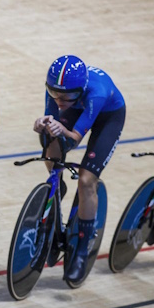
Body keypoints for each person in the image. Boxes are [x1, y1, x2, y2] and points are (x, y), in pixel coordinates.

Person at [34, 55, 125, 283]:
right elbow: (53, 121)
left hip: (107, 118)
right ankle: (57, 183)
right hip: (79, 108)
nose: (59, 101)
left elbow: (74, 138)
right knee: (50, 137)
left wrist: (61, 130)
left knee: (86, 181)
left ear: (81, 89)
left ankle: (82, 251)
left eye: (66, 96)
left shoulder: (97, 92)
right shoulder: (58, 90)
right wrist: (43, 125)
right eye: (54, 94)